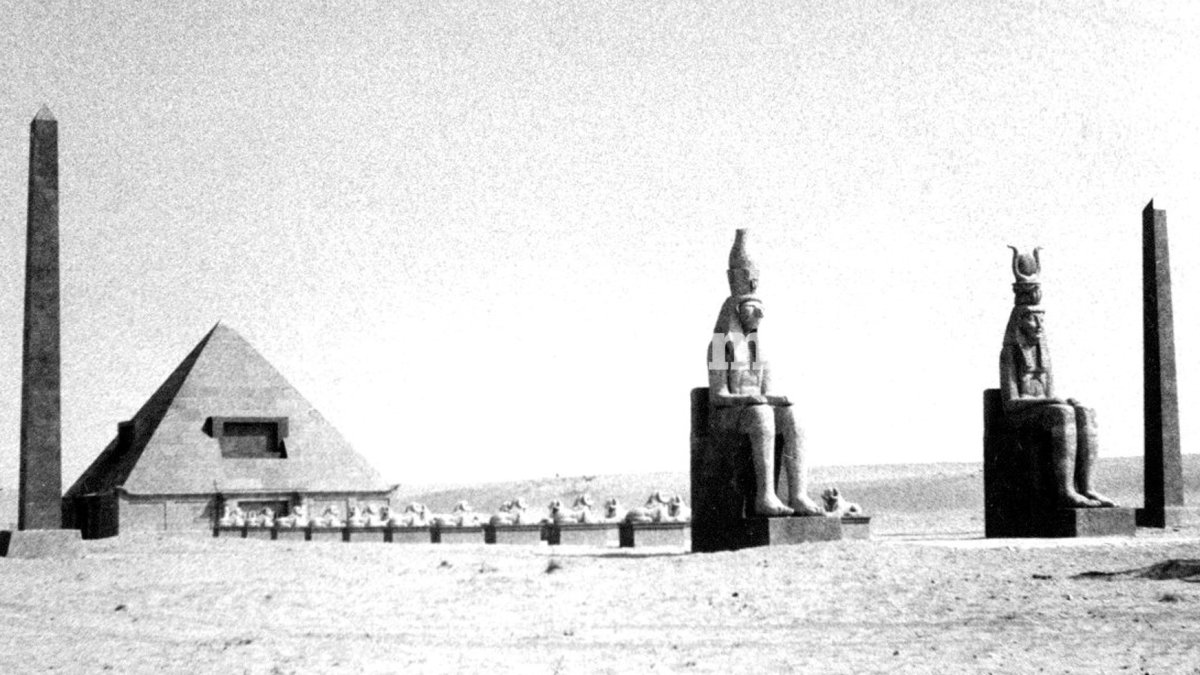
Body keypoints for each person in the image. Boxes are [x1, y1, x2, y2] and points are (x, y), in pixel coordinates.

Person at [707, 229, 820, 517]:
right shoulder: (721, 344)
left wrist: (775, 398)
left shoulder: (759, 348)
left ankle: (798, 495)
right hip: (727, 415)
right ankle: (764, 496)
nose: (756, 317)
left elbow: (765, 391)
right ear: (735, 311)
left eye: (759, 311)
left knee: (793, 417)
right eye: (749, 310)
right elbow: (719, 395)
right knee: (762, 415)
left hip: (750, 410)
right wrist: (752, 401)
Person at [999, 246, 1115, 508]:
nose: (1039, 326)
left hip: (1042, 411)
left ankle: (1087, 487)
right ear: (1018, 323)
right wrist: (1050, 401)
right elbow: (1011, 403)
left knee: (1084, 411)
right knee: (1061, 413)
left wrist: (1061, 401)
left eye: (1042, 320)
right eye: (1031, 320)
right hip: (1020, 417)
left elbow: (1051, 396)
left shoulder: (1044, 353)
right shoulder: (1009, 354)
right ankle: (1065, 490)